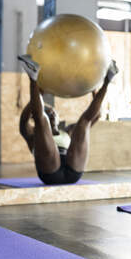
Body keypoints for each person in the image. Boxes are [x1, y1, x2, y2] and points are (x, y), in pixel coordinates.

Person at [17, 55, 118, 185]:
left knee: (84, 123)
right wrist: (37, 92)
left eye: (54, 112)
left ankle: (108, 79)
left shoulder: (68, 131)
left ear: (59, 117)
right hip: (50, 173)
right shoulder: (32, 133)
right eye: (49, 113)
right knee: (42, 121)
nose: (52, 114)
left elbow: (96, 115)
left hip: (73, 169)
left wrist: (94, 89)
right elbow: (26, 119)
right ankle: (33, 76)